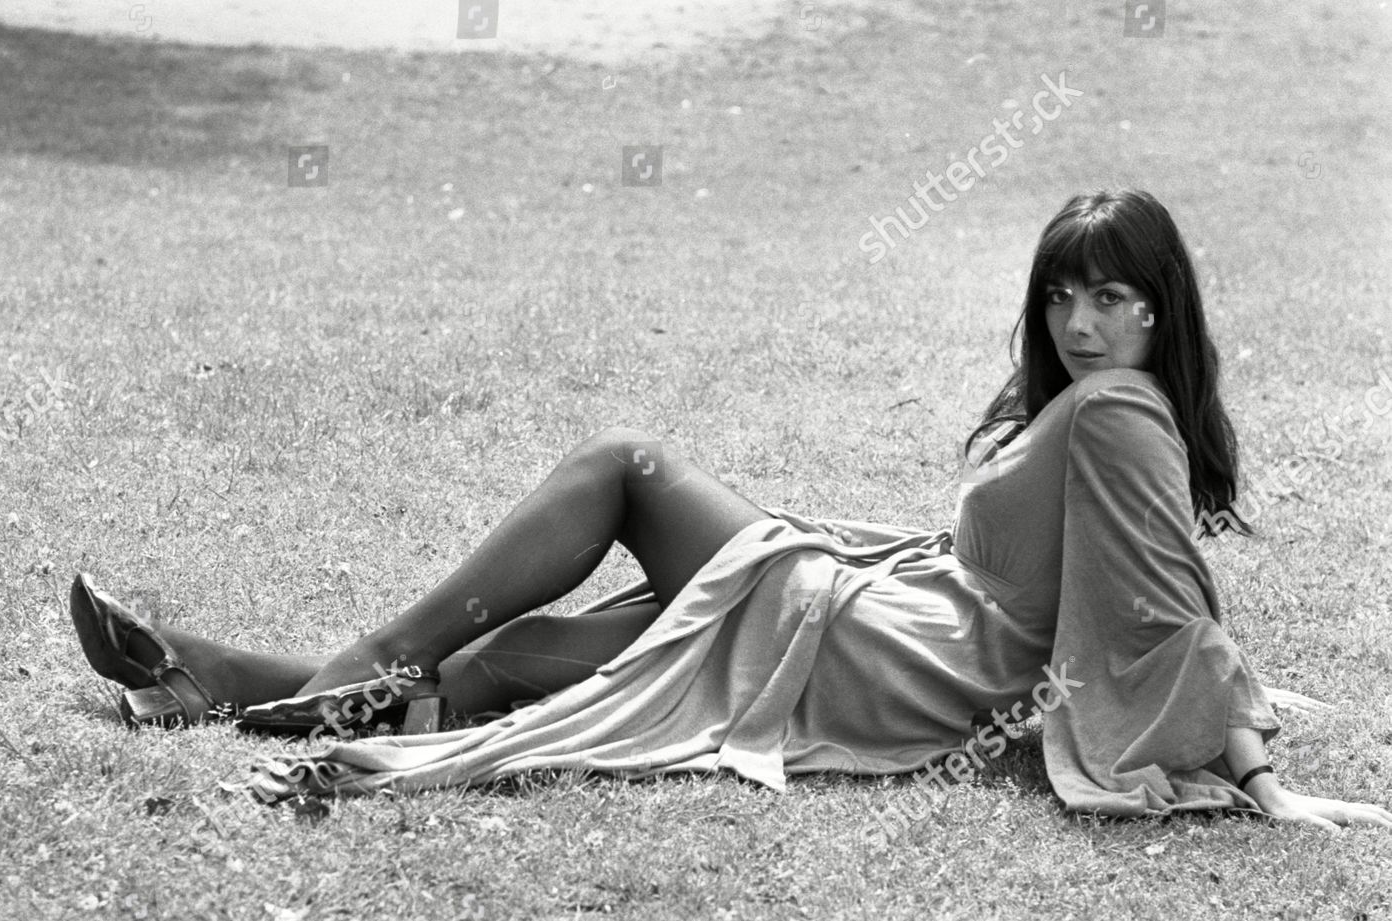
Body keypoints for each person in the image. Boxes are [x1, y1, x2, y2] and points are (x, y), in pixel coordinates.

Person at [70, 189, 1391, 831]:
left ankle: (351, 670)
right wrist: (1258, 711)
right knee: (512, 663)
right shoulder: (1111, 408)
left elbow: (1163, 612)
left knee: (626, 467)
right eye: (1063, 295)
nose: (1081, 320)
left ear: (1162, 305)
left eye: (1110, 296)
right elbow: (1150, 592)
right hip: (901, 615)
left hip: (906, 652)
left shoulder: (1112, 411)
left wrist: (1266, 783)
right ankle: (201, 676)